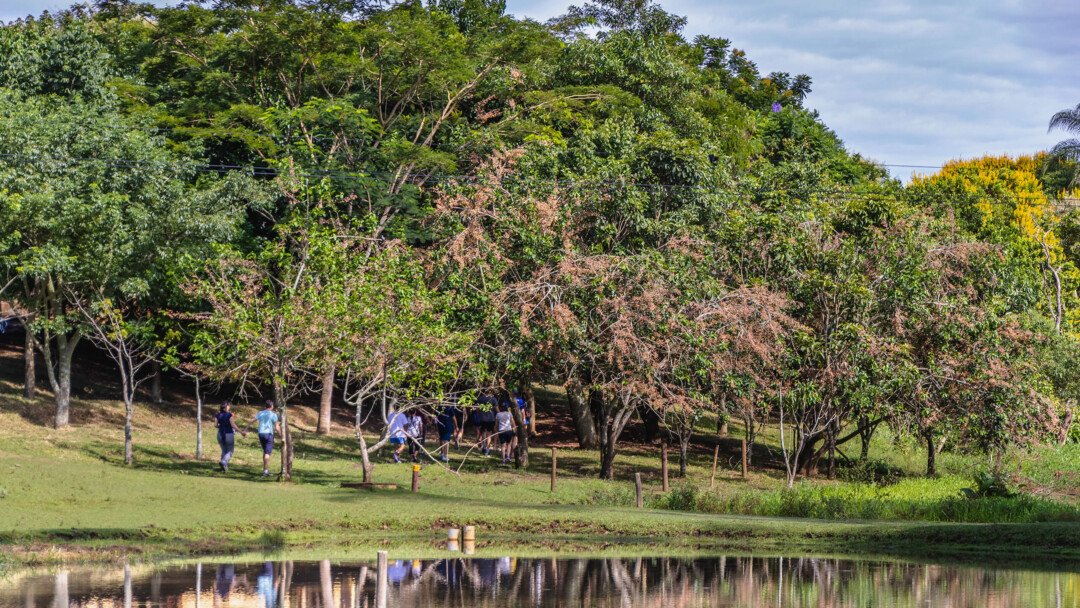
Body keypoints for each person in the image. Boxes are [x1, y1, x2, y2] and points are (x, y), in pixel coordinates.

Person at [215, 401, 246, 472]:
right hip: (228, 434)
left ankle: (223, 468)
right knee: (230, 451)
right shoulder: (229, 415)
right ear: (226, 407)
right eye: (229, 405)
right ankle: (224, 462)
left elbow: (215, 425)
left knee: (224, 450)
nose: (229, 407)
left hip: (220, 434)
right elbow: (233, 425)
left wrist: (221, 425)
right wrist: (241, 432)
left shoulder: (218, 415)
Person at [254, 400, 281, 477]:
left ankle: (265, 469)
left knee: (265, 451)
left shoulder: (260, 413)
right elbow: (277, 426)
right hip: (268, 434)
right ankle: (265, 472)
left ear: (265, 406)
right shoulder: (273, 414)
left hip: (261, 434)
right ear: (271, 406)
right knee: (267, 453)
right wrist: (281, 434)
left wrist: (246, 428)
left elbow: (252, 420)